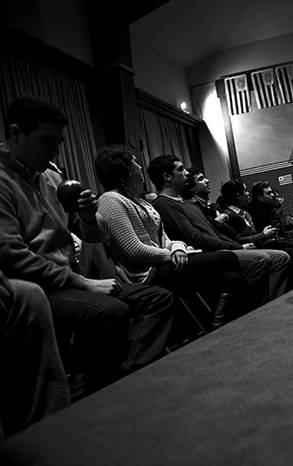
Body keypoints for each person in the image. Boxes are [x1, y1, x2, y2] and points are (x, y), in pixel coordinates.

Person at [0, 96, 174, 392]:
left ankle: (123, 381)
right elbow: (12, 256)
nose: (54, 151)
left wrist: (87, 216)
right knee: (109, 312)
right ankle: (104, 390)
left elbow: (93, 237)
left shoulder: (52, 177)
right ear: (16, 133)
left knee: (156, 298)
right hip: (37, 286)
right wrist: (82, 282)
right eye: (46, 141)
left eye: (59, 142)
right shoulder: (4, 181)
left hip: (71, 278)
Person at [94, 145, 248, 329]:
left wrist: (177, 248)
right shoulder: (110, 200)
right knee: (228, 258)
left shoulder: (139, 200)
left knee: (230, 277)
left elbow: (165, 238)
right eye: (134, 162)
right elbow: (134, 250)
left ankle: (219, 327)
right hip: (147, 273)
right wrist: (171, 254)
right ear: (124, 169)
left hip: (165, 262)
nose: (140, 167)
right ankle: (220, 326)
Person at [147, 155, 289, 305]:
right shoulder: (164, 204)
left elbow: (215, 231)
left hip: (223, 248)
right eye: (181, 169)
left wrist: (237, 246)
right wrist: (238, 247)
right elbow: (196, 238)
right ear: (167, 176)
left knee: (280, 257)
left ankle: (270, 305)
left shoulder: (186, 202)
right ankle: (258, 310)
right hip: (208, 254)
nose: (187, 173)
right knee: (262, 259)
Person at [0, 270, 70, 439]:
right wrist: (81, 281)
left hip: (63, 275)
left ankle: (51, 428)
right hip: (55, 277)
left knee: (30, 296)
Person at [220, 180, 293, 290]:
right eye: (245, 191)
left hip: (262, 245)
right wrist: (264, 234)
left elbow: (267, 235)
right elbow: (238, 239)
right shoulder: (228, 215)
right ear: (238, 195)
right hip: (251, 249)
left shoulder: (245, 213)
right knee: (289, 254)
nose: (247, 194)